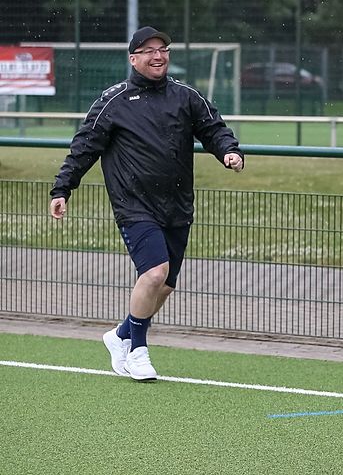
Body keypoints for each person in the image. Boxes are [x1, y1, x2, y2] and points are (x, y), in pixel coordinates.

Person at [49, 26, 244, 381]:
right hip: (134, 205)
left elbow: (213, 129)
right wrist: (62, 188)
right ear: (133, 58)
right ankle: (137, 350)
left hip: (177, 205)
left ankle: (120, 334)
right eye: (149, 50)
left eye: (163, 49)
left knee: (164, 285)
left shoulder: (186, 96)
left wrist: (228, 151)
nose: (158, 56)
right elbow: (84, 148)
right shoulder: (113, 101)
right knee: (153, 273)